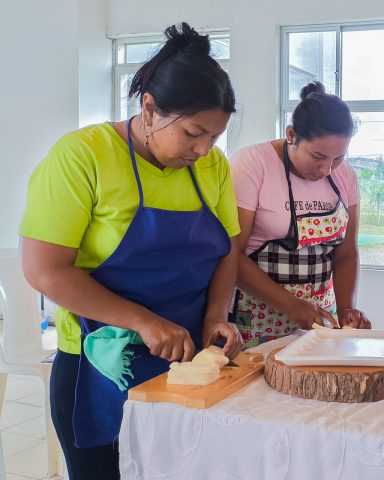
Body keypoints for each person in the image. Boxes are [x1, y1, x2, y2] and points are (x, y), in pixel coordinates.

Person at [19, 23, 243, 480]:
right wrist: (143, 320)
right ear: (149, 107)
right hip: (99, 368)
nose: (203, 150)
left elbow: (226, 252)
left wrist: (216, 315)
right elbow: (45, 271)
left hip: (188, 361)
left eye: (214, 138)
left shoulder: (212, 167)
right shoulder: (83, 156)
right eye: (192, 134)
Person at [230, 81, 371, 348]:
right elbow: (232, 256)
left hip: (318, 322)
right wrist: (292, 306)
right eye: (318, 156)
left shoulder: (345, 176)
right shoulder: (253, 164)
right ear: (291, 134)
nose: (327, 169)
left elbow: (346, 253)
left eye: (339, 157)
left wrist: (346, 311)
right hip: (257, 320)